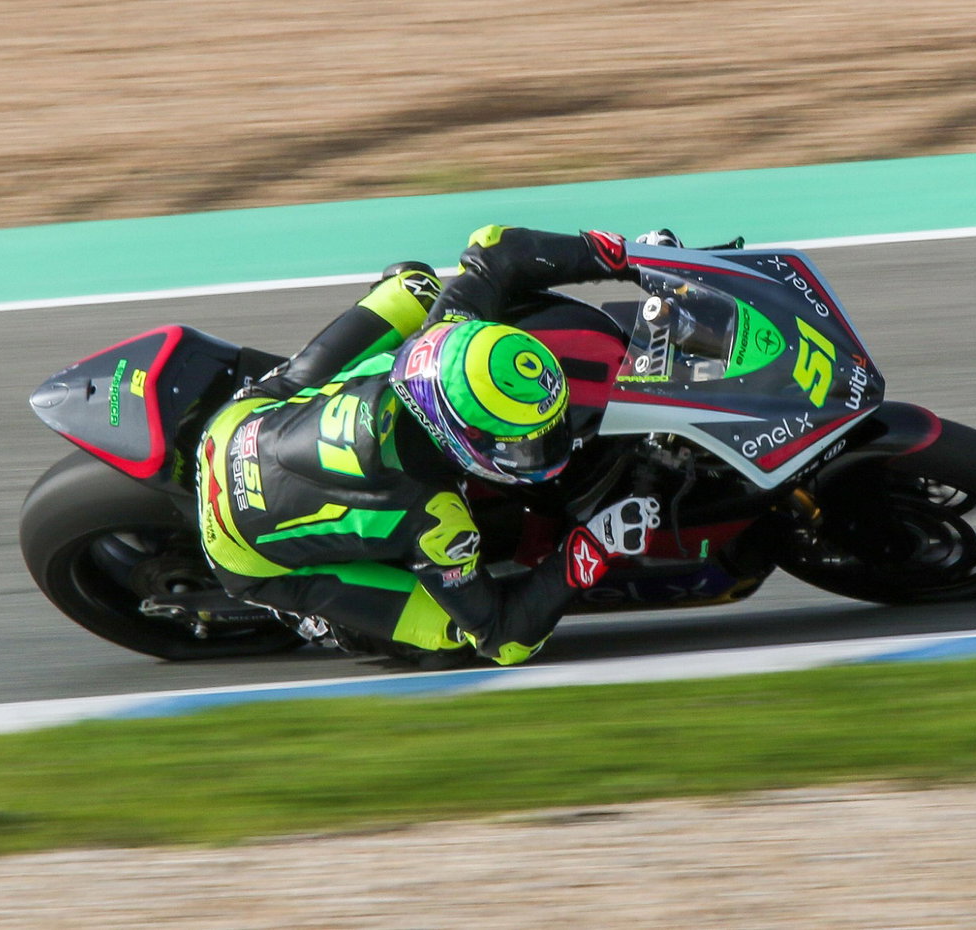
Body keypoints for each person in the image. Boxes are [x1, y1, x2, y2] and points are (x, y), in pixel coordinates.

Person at [195, 225, 668, 667]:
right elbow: (502, 637)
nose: (539, 449)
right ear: (458, 438)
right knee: (450, 635)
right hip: (242, 547)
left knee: (415, 286)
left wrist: (627, 258)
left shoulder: (449, 331)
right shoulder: (438, 524)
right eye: (522, 445)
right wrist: (593, 546)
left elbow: (494, 247)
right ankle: (321, 621)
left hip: (236, 424)